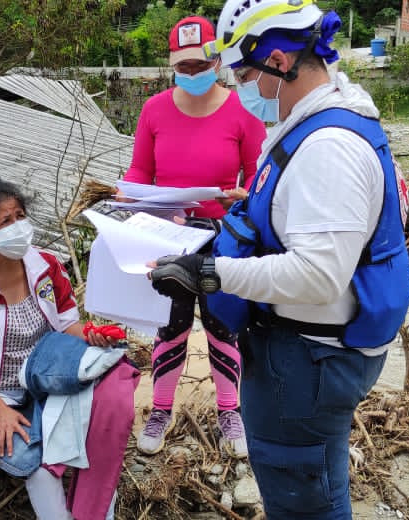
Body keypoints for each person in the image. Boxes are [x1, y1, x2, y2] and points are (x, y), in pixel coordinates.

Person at [149, 0, 409, 518]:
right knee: (316, 477)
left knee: (304, 501)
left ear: (279, 60)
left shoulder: (328, 146)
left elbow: (317, 275)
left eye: (246, 72)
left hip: (307, 358)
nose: (245, 86)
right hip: (308, 352)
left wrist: (211, 273)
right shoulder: (324, 119)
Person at [0, 178, 133, 520]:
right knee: (34, 463)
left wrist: (93, 337)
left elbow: (67, 325)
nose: (18, 226)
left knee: (93, 441)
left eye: (20, 215)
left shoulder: (46, 267)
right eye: (5, 222)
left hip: (43, 376)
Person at [121, 15, 265, 458]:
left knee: (223, 324)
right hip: (169, 233)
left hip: (224, 235)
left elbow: (260, 178)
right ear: (171, 67)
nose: (193, 75)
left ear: (218, 61)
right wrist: (127, 198)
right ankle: (161, 408)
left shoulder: (245, 108)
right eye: (183, 68)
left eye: (201, 67)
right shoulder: (155, 110)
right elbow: (142, 170)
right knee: (171, 326)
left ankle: (229, 409)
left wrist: (244, 197)